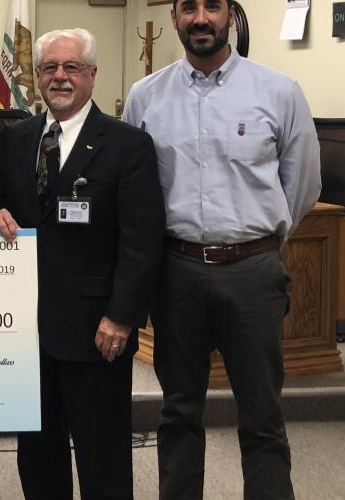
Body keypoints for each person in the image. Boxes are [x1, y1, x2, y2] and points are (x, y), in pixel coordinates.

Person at [122, 1, 321, 498]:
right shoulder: (145, 97)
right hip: (177, 273)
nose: (200, 18)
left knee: (262, 415)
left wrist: (259, 241)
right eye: (188, 7)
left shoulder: (278, 92)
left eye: (212, 6)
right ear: (174, 17)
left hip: (252, 272)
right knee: (178, 413)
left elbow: (302, 186)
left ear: (229, 15)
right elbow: (134, 190)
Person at [0, 28, 165, 499]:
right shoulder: (15, 138)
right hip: (24, 330)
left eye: (72, 68)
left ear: (92, 75)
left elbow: (141, 241)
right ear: (38, 76)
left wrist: (122, 316)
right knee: (38, 457)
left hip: (96, 330)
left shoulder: (127, 145)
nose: (60, 77)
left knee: (101, 457)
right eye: (50, 68)